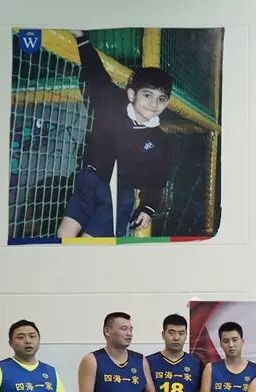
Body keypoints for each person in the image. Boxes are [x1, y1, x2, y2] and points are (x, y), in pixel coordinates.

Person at [58, 31, 171, 238]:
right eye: (147, 95)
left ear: (167, 102)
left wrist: (148, 207)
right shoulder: (112, 104)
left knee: (89, 246)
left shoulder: (159, 139)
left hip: (117, 195)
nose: (154, 104)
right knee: (64, 235)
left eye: (161, 99)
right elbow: (96, 75)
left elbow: (157, 178)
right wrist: (82, 38)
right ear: (132, 94)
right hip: (89, 181)